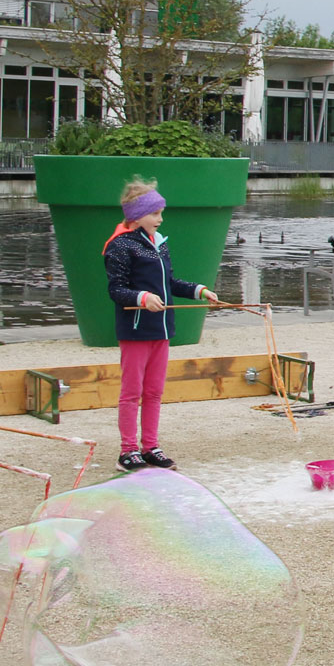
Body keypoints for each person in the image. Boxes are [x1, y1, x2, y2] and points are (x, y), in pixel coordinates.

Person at [103, 178, 218, 473]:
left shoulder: (159, 244)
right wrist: (142, 298)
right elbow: (116, 290)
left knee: (154, 392)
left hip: (161, 329)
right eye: (155, 213)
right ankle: (128, 451)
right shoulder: (120, 245)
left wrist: (199, 291)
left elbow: (169, 283)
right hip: (135, 331)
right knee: (132, 392)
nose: (160, 219)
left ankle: (150, 447)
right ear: (137, 215)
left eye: (161, 213)